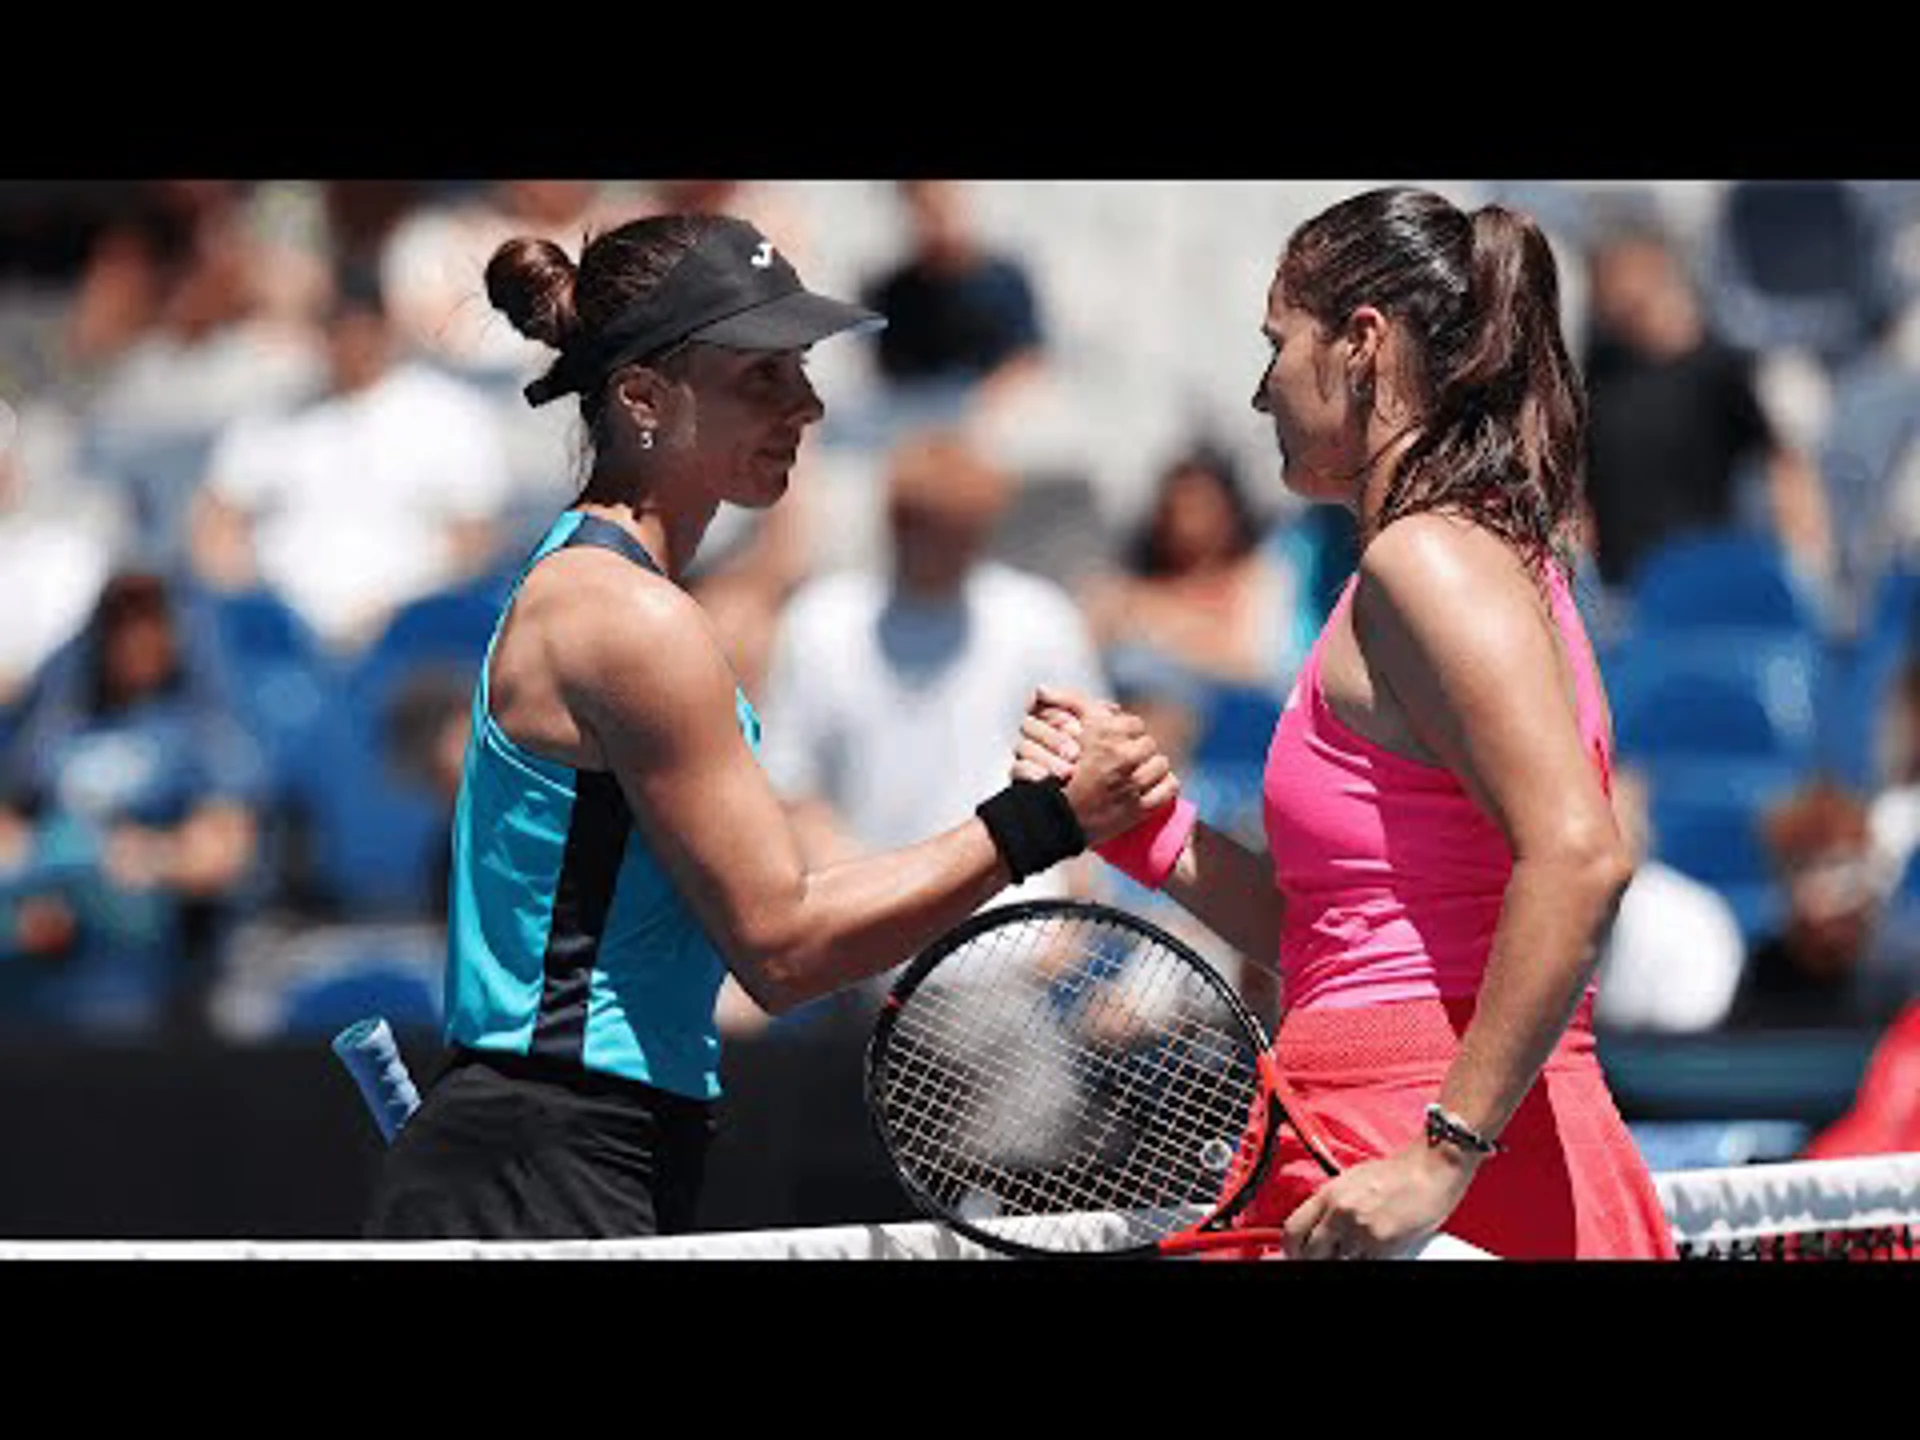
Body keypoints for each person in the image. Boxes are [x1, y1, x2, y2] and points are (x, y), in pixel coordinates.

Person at [361, 211, 1175, 1241]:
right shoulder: (629, 620)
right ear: (644, 399)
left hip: (575, 1144)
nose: (809, 404)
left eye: (800, 370)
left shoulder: (616, 598)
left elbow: (782, 909)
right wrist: (1041, 824)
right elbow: (783, 947)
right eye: (763, 376)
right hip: (549, 1154)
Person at [1016, 186, 1675, 1260]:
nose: (1260, 389)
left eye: (1277, 343)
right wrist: (1144, 828)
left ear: (1360, 343)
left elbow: (1581, 857)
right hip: (1386, 1142)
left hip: (1417, 1155)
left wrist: (1441, 1154)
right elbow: (1330, 943)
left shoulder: (1429, 561)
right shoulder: (1457, 560)